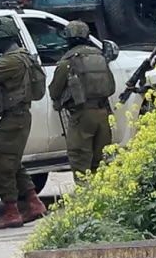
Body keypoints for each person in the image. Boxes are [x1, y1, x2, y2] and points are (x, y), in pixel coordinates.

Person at [0, 16, 47, 230]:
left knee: (3, 167)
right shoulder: (24, 56)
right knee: (13, 162)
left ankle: (11, 212)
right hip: (17, 117)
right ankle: (34, 203)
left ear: (0, 38)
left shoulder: (10, 61)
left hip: (14, 118)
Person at [48, 20, 116, 185]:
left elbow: (54, 90)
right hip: (103, 114)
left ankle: (86, 199)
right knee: (100, 161)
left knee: (80, 159)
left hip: (81, 116)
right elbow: (111, 87)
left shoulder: (68, 61)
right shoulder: (99, 57)